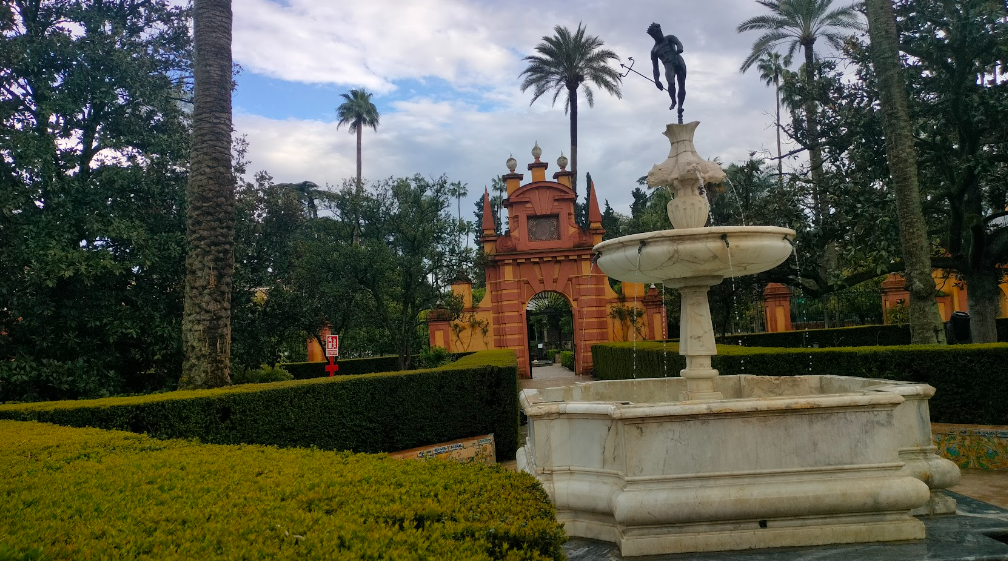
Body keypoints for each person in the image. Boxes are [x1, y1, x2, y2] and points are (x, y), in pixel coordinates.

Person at [648, 22, 687, 122]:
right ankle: (673, 100)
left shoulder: (669, 38)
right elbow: (655, 68)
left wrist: (680, 48)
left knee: (681, 84)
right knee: (671, 82)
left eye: (659, 31)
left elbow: (678, 43)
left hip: (678, 60)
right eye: (656, 33)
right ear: (653, 36)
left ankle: (680, 106)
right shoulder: (654, 50)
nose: (659, 34)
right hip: (668, 65)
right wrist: (657, 80)